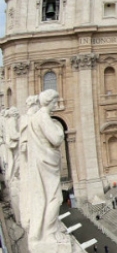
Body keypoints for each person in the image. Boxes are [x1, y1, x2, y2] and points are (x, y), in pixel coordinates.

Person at [27, 90, 65, 244]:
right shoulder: (43, 117)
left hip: (41, 159)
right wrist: (59, 129)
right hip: (47, 160)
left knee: (46, 195)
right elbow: (56, 139)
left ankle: (45, 229)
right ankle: (49, 232)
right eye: (55, 102)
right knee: (55, 197)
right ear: (49, 102)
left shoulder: (34, 117)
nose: (56, 104)